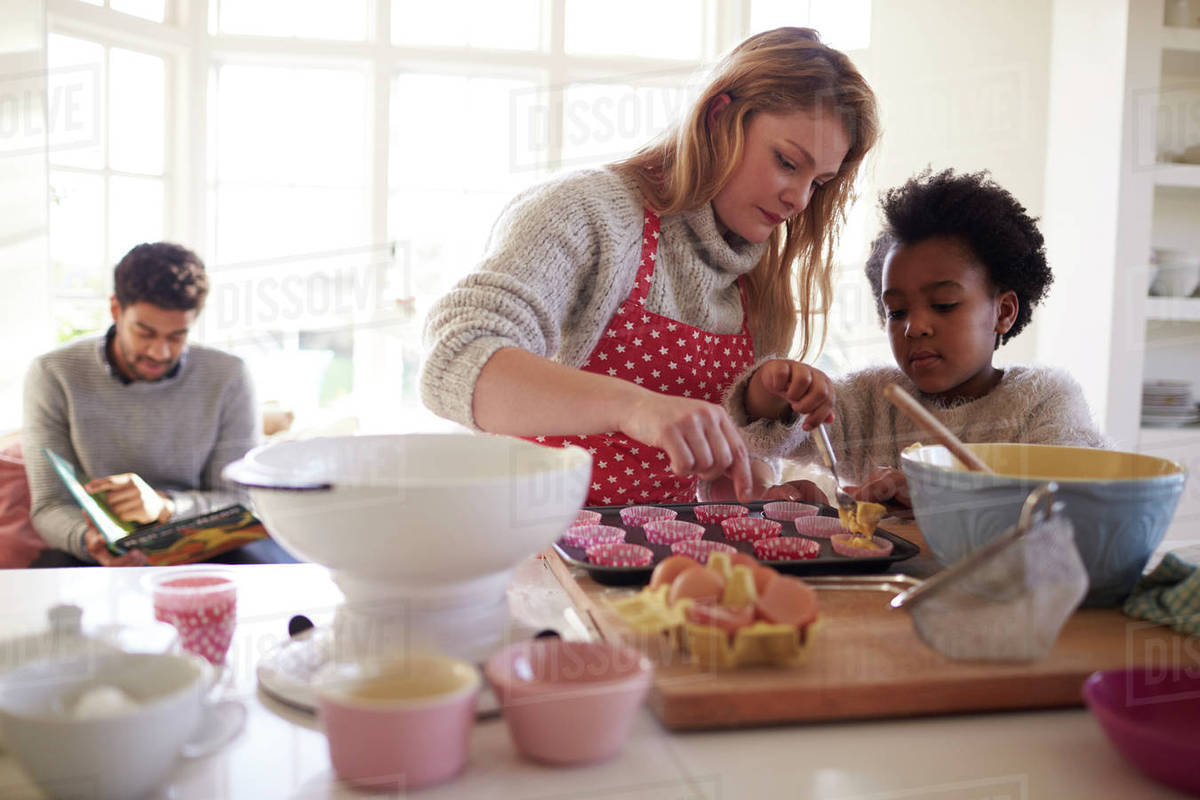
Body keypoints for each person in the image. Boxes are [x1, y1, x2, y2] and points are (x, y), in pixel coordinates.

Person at [421, 27, 879, 505]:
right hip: (535, 552)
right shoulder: (588, 213)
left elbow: (729, 463)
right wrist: (634, 407)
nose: (799, 200)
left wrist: (760, 490)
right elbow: (452, 361)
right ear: (719, 118)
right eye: (787, 161)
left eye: (819, 183)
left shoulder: (758, 280)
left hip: (662, 566)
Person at [733, 168, 1109, 507]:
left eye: (944, 304)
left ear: (1004, 311)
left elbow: (1074, 501)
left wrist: (937, 497)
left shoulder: (1043, 400)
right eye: (897, 312)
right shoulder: (875, 398)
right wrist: (773, 387)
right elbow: (774, 428)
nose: (915, 327)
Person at [22, 242, 260, 566]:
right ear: (116, 309)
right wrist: (89, 541)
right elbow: (49, 505)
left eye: (176, 336)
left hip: (203, 543)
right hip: (96, 549)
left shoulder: (229, 376)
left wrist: (165, 507)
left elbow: (241, 501)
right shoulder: (54, 374)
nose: (159, 352)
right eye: (145, 333)